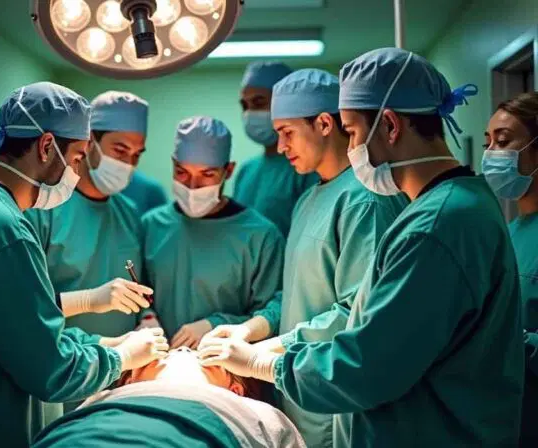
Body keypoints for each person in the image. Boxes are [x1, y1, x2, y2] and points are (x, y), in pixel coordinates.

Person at [199, 48, 525, 446]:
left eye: (351, 131)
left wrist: (261, 361)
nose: (351, 147)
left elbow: (366, 364)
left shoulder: (437, 226)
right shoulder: (448, 207)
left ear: (389, 125)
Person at [0, 82, 169, 447]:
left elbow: (15, 328)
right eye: (80, 157)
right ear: (47, 146)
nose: (78, 172)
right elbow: (50, 370)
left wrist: (101, 341)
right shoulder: (3, 229)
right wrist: (120, 357)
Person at [202, 68, 408, 447]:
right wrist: (253, 329)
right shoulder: (309, 200)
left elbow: (356, 313)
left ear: (325, 123)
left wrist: (263, 353)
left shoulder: (366, 201)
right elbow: (296, 294)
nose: (280, 147)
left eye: (287, 133)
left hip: (337, 398)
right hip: (299, 390)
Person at [141, 116, 285, 349]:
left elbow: (274, 316)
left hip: (227, 373)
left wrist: (216, 325)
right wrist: (145, 316)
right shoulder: (151, 225)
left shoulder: (260, 236)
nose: (192, 186)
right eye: (182, 172)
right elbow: (136, 290)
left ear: (228, 171)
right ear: (172, 164)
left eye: (207, 174)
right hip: (159, 366)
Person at [25, 90, 154, 339]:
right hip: (62, 364)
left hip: (123, 364)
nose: (128, 163)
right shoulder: (43, 208)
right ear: (88, 141)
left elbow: (141, 287)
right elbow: (21, 306)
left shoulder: (129, 214)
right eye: (120, 150)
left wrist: (148, 317)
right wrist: (88, 300)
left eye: (136, 155)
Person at [32, 347, 305, 448]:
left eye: (206, 358)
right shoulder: (106, 398)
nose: (184, 349)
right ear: (129, 380)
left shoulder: (253, 411)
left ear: (235, 391)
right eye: (162, 355)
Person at [482, 91, 538, 447]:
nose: (490, 155)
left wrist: (504, 340)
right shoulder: (509, 232)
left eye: (502, 142)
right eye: (488, 143)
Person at [233, 61, 319, 237]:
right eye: (244, 106)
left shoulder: (305, 168)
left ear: (286, 104)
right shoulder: (246, 171)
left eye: (258, 103)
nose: (249, 113)